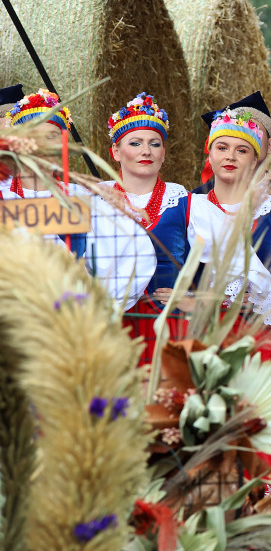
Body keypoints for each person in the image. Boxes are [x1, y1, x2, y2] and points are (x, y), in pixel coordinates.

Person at [168, 107, 271, 356]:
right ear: (210, 154)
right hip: (200, 335)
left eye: (242, 150)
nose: (231, 157)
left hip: (264, 338)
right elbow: (157, 257)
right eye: (222, 148)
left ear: (255, 158)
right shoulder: (187, 208)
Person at [5, 88, 155, 309]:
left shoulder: (83, 198)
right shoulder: (4, 197)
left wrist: (101, 303)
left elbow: (137, 251)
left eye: (52, 137)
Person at [104, 92, 190, 365]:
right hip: (112, 325)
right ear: (116, 152)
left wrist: (191, 294)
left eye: (155, 144)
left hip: (170, 324)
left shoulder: (183, 199)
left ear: (163, 154)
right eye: (135, 143)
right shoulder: (96, 198)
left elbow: (212, 256)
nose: (146, 151)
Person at [194, 91, 271, 211]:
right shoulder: (196, 200)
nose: (245, 138)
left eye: (255, 132)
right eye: (223, 147)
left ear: (270, 144)